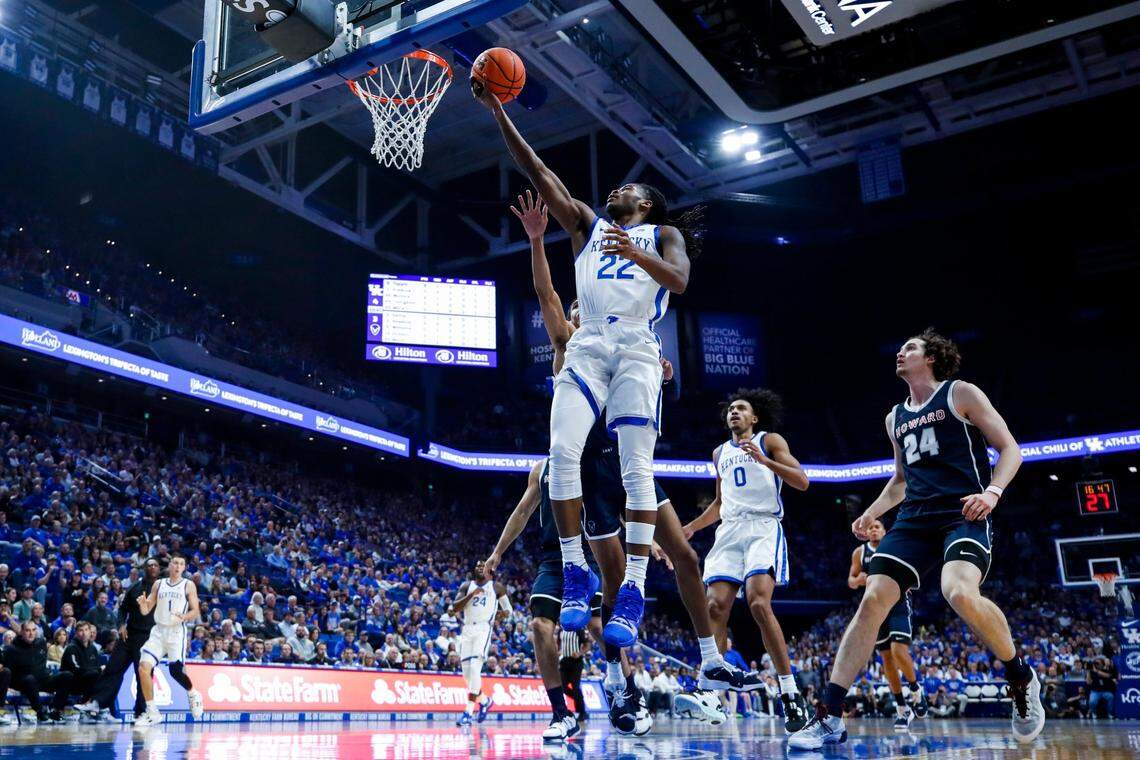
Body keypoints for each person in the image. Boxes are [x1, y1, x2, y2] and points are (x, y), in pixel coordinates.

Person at [507, 191, 755, 732]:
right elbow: (546, 289)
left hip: (627, 461)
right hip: (594, 470)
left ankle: (711, 660)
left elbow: (659, 297)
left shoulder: (632, 339)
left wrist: (655, 370)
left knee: (686, 558)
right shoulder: (566, 341)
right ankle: (622, 687)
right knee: (612, 579)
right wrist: (534, 242)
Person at [477, 85, 701, 651]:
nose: (616, 190)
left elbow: (678, 282)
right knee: (561, 452)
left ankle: (633, 588)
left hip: (636, 346)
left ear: (645, 205)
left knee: (635, 466)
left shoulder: (663, 234)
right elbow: (539, 168)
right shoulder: (586, 225)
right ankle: (576, 571)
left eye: (629, 188)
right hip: (590, 344)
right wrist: (499, 111)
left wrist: (635, 254)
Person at [790, 329, 1045, 749]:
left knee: (958, 592)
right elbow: (902, 480)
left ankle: (1020, 676)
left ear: (932, 358)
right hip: (914, 519)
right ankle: (829, 715)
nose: (900, 352)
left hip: (962, 510)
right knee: (872, 600)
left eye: (910, 347)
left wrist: (992, 493)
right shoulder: (895, 417)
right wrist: (872, 511)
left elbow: (1010, 449)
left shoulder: (961, 394)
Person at [684, 388, 811, 733]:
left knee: (757, 603)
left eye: (741, 409)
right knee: (715, 606)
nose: (734, 413)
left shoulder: (770, 440)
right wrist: (690, 529)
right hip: (729, 530)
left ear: (754, 418)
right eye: (731, 409)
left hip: (762, 526)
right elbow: (720, 504)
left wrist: (765, 461)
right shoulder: (719, 452)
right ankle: (710, 692)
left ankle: (789, 692)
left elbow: (802, 481)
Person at [848, 518, 928, 730]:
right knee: (886, 658)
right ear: (866, 532)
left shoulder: (894, 545)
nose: (873, 530)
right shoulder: (859, 552)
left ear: (884, 531)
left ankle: (915, 690)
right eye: (870, 527)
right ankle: (902, 709)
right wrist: (859, 580)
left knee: (898, 650)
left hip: (898, 602)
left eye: (877, 527)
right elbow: (851, 580)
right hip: (874, 608)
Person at [76, 557, 159, 722]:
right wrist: (121, 624)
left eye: (155, 565)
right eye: (149, 565)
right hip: (128, 636)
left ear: (159, 569)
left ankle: (141, 713)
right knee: (112, 668)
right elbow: (122, 609)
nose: (152, 567)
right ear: (144, 568)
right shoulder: (135, 588)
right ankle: (97, 702)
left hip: (148, 639)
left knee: (142, 674)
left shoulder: (163, 590)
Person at [133, 554, 205, 726]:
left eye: (182, 563)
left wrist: (183, 617)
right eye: (175, 563)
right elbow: (146, 609)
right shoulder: (159, 584)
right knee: (143, 668)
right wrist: (143, 604)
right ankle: (152, 712)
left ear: (184, 567)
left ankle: (193, 693)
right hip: (158, 631)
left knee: (175, 672)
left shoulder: (188, 585)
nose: (178, 566)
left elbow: (195, 611)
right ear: (170, 565)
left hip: (176, 632)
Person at [449, 561, 509, 727]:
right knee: (467, 674)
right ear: (473, 570)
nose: (480, 568)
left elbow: (508, 610)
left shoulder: (496, 587)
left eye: (484, 566)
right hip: (467, 629)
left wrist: (496, 618)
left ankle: (467, 713)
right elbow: (455, 607)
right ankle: (485, 701)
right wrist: (472, 594)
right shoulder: (466, 585)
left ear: (489, 570)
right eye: (477, 566)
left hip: (483, 629)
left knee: (475, 668)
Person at [0, 620, 74, 723]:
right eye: (27, 630)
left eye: (33, 630)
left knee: (67, 675)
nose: (31, 633)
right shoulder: (11, 649)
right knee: (30, 679)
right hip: (23, 682)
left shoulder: (41, 642)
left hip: (43, 679)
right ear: (21, 632)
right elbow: (8, 672)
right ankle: (40, 712)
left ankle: (55, 710)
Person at [61, 621, 102, 706]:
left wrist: (99, 670)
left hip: (89, 681)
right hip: (73, 682)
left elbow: (97, 667)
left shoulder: (93, 648)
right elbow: (76, 669)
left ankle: (102, 708)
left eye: (86, 630)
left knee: (109, 679)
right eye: (81, 630)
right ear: (76, 633)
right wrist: (98, 669)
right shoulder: (71, 648)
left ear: (90, 632)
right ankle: (85, 705)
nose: (84, 633)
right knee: (94, 674)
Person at [558, 627, 591, 724]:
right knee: (563, 687)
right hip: (564, 661)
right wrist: (559, 651)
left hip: (576, 662)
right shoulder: (561, 630)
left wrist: (580, 653)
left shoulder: (578, 630)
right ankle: (580, 701)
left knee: (575, 687)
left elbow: (587, 645)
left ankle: (582, 712)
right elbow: (558, 643)